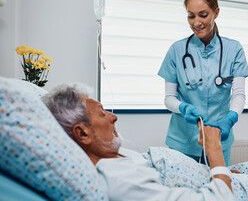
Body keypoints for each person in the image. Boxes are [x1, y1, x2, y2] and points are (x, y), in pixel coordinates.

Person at [42, 84, 236, 201]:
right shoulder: (119, 181)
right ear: (83, 134)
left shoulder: (113, 155)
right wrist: (214, 152)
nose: (113, 117)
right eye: (102, 113)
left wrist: (215, 171)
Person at [158, 0, 248, 166]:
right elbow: (169, 98)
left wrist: (230, 118)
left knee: (219, 188)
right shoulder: (176, 50)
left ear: (216, 12)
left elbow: (238, 95)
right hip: (182, 139)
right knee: (183, 193)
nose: (196, 22)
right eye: (190, 15)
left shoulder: (234, 49)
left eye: (203, 14)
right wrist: (183, 108)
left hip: (218, 138)